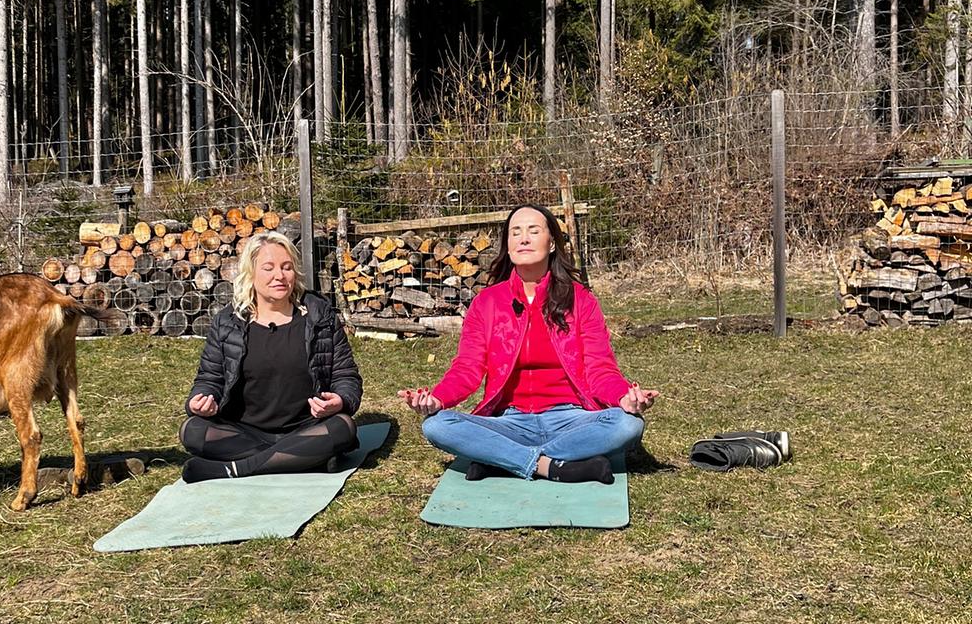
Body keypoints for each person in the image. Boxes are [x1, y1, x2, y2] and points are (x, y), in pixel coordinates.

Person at [399, 204, 658, 484]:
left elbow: (600, 369)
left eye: (534, 231)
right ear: (508, 248)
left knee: (627, 425)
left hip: (570, 419)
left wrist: (624, 397)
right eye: (516, 233)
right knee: (438, 425)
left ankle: (501, 460)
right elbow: (467, 368)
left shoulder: (581, 300)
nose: (524, 238)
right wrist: (437, 398)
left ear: (551, 244)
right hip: (510, 421)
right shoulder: (486, 304)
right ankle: (553, 467)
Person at [179, 230, 363, 482]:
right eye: (269, 268)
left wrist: (340, 401)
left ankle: (236, 469)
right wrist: (199, 401)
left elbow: (345, 375)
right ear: (251, 273)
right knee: (192, 431)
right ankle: (299, 458)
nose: (280, 276)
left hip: (307, 428)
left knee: (343, 428)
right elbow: (209, 378)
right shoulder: (227, 322)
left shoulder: (319, 315)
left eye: (287, 267)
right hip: (244, 432)